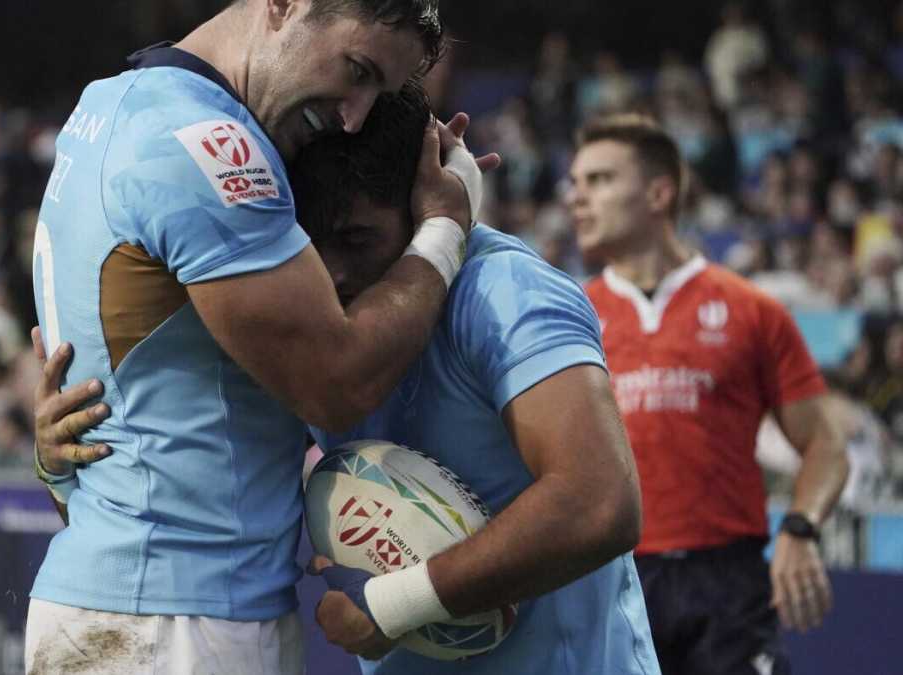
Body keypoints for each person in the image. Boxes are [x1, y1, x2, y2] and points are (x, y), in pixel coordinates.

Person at [33, 85, 661, 674]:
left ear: (426, 206)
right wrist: (64, 459)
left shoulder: (505, 292)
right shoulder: (301, 318)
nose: (330, 274)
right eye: (311, 243)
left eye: (357, 237)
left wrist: (395, 605)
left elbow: (600, 503)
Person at [24, 1, 497, 673]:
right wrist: (445, 227)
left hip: (121, 598)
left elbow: (114, 418)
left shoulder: (108, 106)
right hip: (178, 623)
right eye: (356, 70)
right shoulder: (209, 142)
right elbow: (338, 382)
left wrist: (52, 460)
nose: (354, 115)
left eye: (378, 93)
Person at [565, 113, 850, 674]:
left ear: (658, 192)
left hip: (730, 587)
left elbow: (825, 445)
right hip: (612, 582)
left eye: (598, 181)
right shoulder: (568, 315)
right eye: (575, 184)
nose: (578, 199)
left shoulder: (753, 310)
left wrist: (802, 525)